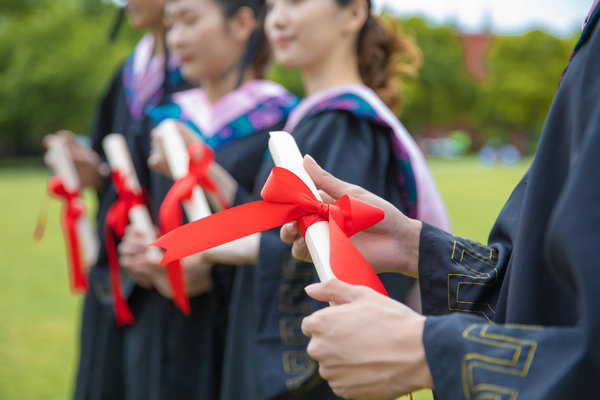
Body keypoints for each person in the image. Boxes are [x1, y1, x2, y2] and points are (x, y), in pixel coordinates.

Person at [281, 2, 600, 399]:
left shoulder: (346, 121)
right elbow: (543, 294)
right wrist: (413, 245)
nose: (275, 17)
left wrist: (428, 349)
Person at [189, 0, 450, 399]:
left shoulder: (343, 123)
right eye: (272, 5)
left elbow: (326, 250)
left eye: (294, 2)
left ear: (353, 13)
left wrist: (203, 245)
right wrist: (204, 171)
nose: (275, 18)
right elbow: (277, 220)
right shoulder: (315, 120)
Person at [116, 0, 299, 398]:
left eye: (190, 20)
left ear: (243, 22)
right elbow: (135, 213)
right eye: (171, 23)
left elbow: (285, 240)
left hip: (237, 338)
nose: (176, 37)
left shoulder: (285, 124)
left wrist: (213, 271)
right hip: (162, 335)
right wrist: (136, 257)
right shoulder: (161, 121)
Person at [43, 0, 189, 399]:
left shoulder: (200, 77)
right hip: (114, 269)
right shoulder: (129, 73)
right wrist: (95, 173)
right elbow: (112, 172)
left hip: (172, 280)